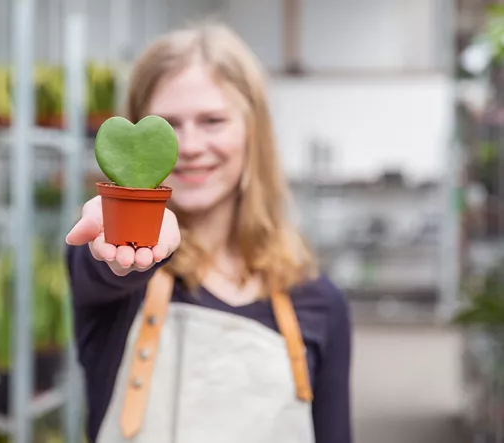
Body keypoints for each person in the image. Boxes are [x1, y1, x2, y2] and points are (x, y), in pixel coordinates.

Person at [65, 22, 352, 443]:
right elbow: (107, 266)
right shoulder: (119, 281)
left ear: (252, 134)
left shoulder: (319, 303)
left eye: (213, 121)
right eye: (170, 124)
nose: (191, 145)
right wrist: (126, 233)